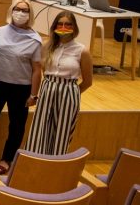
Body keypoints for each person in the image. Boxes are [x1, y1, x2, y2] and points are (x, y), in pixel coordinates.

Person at [0, 0, 43, 174]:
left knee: (16, 125)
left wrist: (34, 95)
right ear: (11, 11)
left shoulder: (35, 40)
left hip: (21, 88)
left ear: (30, 15)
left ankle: (7, 158)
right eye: (17, 9)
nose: (20, 13)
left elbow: (37, 70)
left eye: (25, 10)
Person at [25, 11, 93, 155]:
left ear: (74, 27)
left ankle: (56, 163)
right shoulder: (46, 47)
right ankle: (36, 161)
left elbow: (88, 81)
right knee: (40, 129)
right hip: (48, 89)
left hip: (69, 92)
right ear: (55, 26)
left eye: (68, 24)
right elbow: (43, 71)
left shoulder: (82, 50)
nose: (63, 27)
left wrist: (72, 94)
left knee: (62, 132)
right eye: (60, 24)